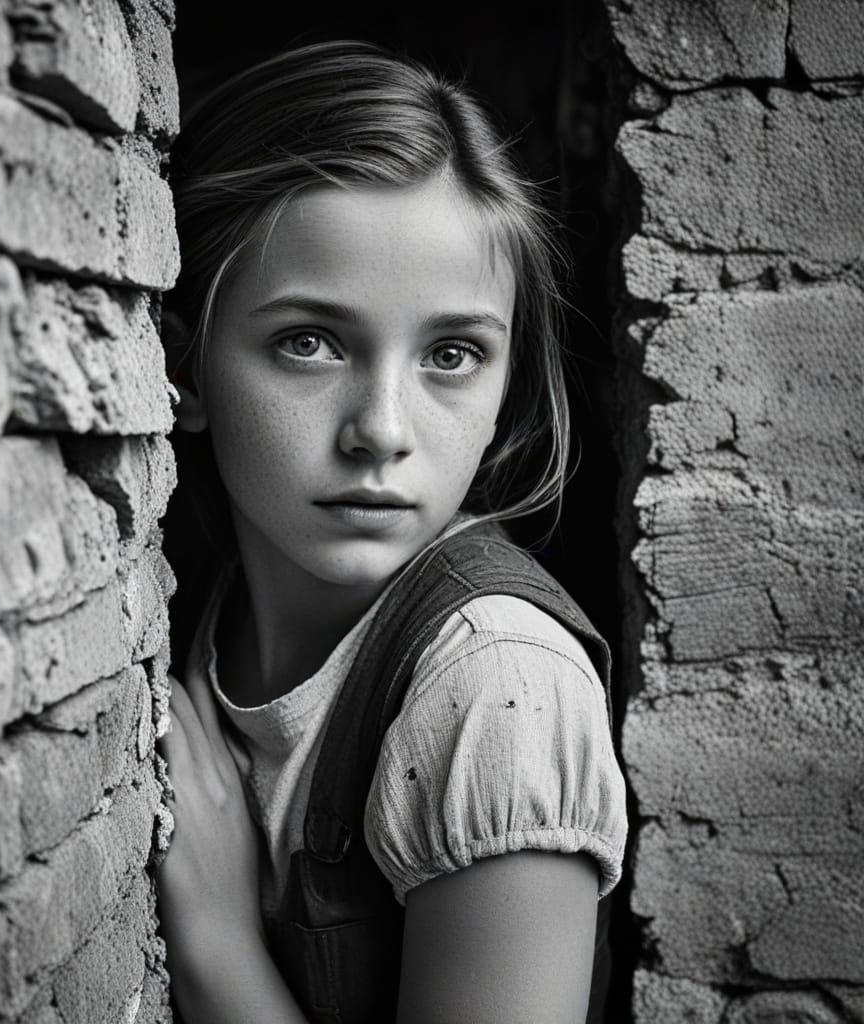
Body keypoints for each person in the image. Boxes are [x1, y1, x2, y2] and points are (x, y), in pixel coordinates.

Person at [157, 39, 628, 1024]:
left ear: (506, 387)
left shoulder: (500, 688)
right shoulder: (185, 606)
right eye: (308, 342)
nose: (382, 428)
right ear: (184, 360)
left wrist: (215, 947)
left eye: (451, 353)